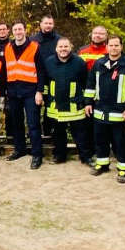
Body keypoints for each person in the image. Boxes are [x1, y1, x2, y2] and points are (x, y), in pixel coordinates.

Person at [84, 35, 125, 182]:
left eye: (116, 45)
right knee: (100, 140)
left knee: (120, 142)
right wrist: (88, 102)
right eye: (111, 45)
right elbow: (90, 84)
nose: (113, 48)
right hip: (100, 111)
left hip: (120, 113)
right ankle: (102, 164)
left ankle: (123, 169)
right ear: (107, 47)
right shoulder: (99, 63)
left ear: (121, 47)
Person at [43, 37, 93, 165]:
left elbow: (86, 83)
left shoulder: (79, 62)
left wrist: (86, 101)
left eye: (66, 47)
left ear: (70, 47)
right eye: (60, 47)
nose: (63, 49)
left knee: (80, 134)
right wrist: (45, 99)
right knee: (58, 134)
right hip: (56, 106)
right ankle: (59, 156)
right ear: (56, 48)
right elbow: (44, 82)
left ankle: (85, 157)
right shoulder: (48, 62)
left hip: (75, 105)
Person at [3, 21, 45, 169]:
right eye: (15, 29)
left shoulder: (35, 47)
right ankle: (19, 149)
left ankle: (37, 155)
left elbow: (41, 71)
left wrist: (40, 91)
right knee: (17, 123)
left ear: (25, 30)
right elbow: (5, 71)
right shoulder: (7, 47)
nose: (18, 32)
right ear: (12, 32)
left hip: (30, 91)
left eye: (20, 29)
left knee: (33, 124)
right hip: (13, 91)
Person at [32, 14, 61, 138]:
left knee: (51, 107)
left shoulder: (59, 40)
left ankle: (49, 132)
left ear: (53, 25)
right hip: (35, 79)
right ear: (41, 24)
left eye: (50, 23)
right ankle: (35, 134)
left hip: (53, 79)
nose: (48, 25)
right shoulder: (33, 40)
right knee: (35, 108)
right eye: (46, 23)